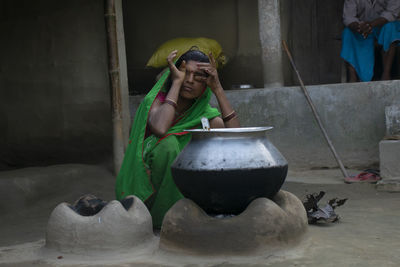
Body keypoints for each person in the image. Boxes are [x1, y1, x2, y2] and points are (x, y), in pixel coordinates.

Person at [115, 48, 240, 228]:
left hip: (188, 187)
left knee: (217, 134)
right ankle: (164, 219)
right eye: (185, 73)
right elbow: (160, 128)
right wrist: (175, 83)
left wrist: (218, 88)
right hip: (146, 187)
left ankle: (201, 208)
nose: (189, 81)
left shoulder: (204, 114)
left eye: (198, 76)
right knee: (169, 144)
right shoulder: (156, 100)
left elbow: (236, 138)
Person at [341, 0, 400, 82]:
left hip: (384, 25)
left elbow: (392, 13)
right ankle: (353, 77)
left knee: (390, 28)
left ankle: (386, 74)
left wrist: (371, 25)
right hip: (362, 28)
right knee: (348, 32)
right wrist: (358, 27)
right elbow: (348, 17)